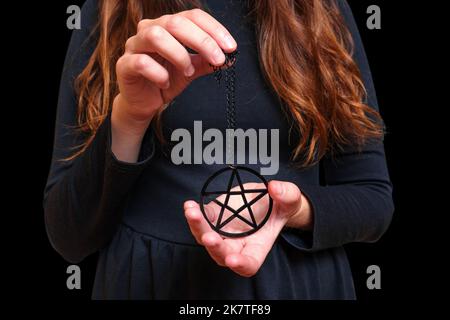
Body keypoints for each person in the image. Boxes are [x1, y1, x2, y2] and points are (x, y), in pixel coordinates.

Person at [44, 0, 394, 299]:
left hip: (297, 285)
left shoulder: (322, 8)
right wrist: (130, 118)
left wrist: (292, 209)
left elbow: (374, 201)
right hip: (145, 282)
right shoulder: (109, 10)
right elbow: (69, 236)